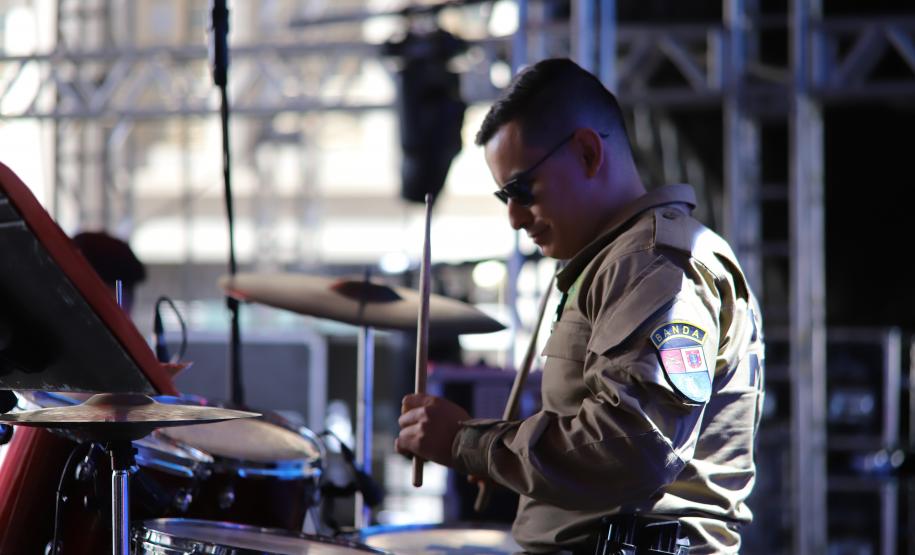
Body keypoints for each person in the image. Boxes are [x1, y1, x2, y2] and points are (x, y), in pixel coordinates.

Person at [396, 58, 765, 554]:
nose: (513, 217)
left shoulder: (652, 263)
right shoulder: (618, 262)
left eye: (521, 190)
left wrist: (469, 443)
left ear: (588, 153)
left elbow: (633, 447)